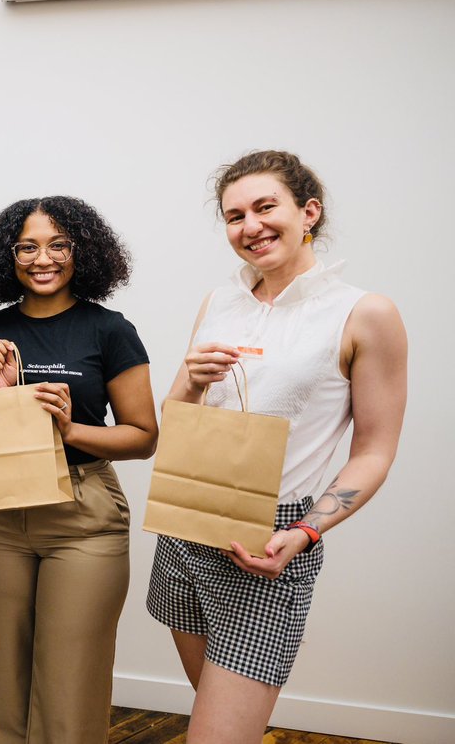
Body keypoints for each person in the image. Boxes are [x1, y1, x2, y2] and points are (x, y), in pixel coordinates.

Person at [145, 150, 407, 744]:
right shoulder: (219, 302)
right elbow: (177, 423)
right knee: (222, 723)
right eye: (235, 216)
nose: (251, 226)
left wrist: (307, 532)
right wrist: (190, 381)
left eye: (266, 207)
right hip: (186, 526)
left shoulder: (364, 313)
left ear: (308, 212)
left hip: (271, 541)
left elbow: (374, 451)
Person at [0, 196, 157, 743]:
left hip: (82, 516)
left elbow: (143, 436)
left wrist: (69, 430)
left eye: (58, 245)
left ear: (81, 251)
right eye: (28, 247)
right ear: (8, 256)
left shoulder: (109, 330)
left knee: (69, 685)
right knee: (10, 677)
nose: (43, 259)